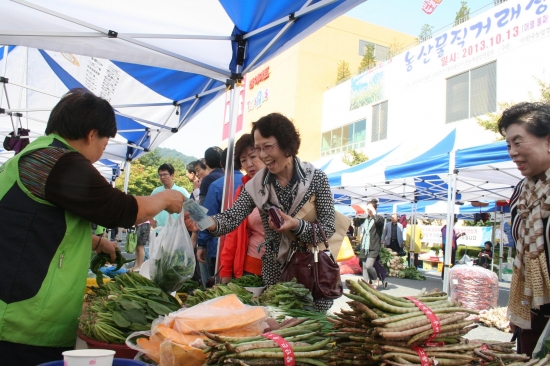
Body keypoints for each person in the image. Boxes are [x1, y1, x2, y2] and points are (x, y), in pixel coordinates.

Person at [0, 89, 187, 365]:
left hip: (22, 314)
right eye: (105, 142)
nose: (102, 150)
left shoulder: (39, 155)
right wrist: (164, 199)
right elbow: (118, 209)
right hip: (22, 321)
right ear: (91, 134)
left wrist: (98, 242)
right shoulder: (56, 161)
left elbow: (41, 224)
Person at [187, 113, 337, 311]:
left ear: (286, 144)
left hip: (312, 272)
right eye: (259, 148)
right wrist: (200, 218)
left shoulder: (316, 179)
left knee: (310, 332)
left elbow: (328, 227)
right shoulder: (257, 185)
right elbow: (231, 218)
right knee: (277, 330)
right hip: (275, 276)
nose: (263, 155)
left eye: (268, 147)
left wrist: (295, 225)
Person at [498, 102, 550, 356]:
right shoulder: (521, 192)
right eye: (508, 145)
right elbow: (520, 248)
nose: (512, 152)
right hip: (532, 313)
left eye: (518, 142)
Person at [219, 134, 266, 283]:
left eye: (253, 157)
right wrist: (225, 270)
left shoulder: (283, 186)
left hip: (285, 268)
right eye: (243, 160)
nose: (249, 164)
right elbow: (232, 233)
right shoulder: (244, 190)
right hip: (251, 267)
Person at [197, 148, 243, 286]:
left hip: (219, 248)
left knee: (219, 290)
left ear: (222, 165)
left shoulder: (216, 185)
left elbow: (206, 216)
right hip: (244, 248)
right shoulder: (251, 184)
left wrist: (201, 244)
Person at [150, 163, 190, 232]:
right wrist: (150, 219)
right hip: (159, 230)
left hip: (177, 231)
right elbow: (148, 206)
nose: (162, 177)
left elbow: (190, 207)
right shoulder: (156, 191)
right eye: (160, 175)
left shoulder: (181, 191)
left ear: (172, 175)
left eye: (165, 174)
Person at [359, 199, 385, 287]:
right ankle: (365, 286)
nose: (368, 211)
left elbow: (379, 222)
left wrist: (374, 212)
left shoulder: (379, 218)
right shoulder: (366, 220)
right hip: (365, 246)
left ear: (375, 209)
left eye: (370, 209)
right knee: (364, 267)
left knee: (369, 266)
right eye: (368, 209)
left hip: (374, 247)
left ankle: (375, 279)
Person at [440, 216, 465, 280]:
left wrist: (459, 235)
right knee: (446, 263)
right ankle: (444, 277)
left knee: (452, 263)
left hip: (452, 248)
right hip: (447, 247)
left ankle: (450, 277)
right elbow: (447, 238)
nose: (454, 224)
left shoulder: (452, 229)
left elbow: (454, 238)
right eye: (454, 222)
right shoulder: (445, 229)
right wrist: (454, 236)